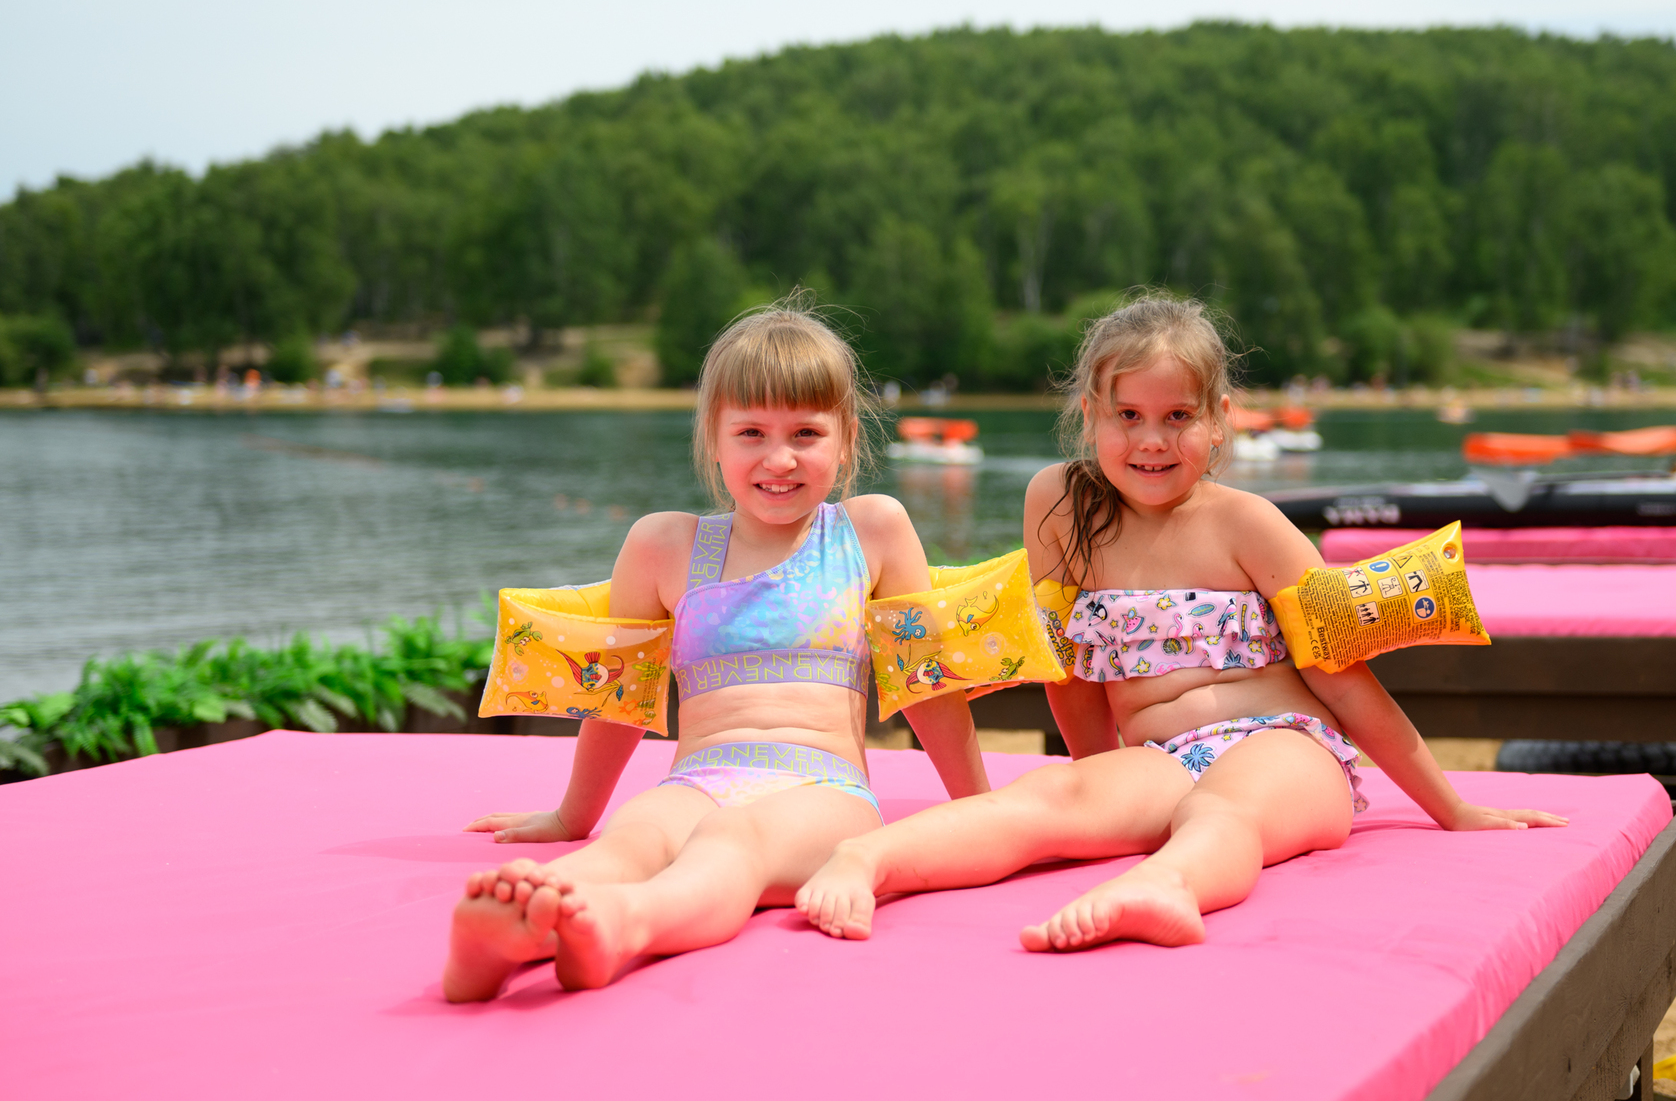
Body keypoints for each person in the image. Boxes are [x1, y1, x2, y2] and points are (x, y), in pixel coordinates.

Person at [797, 294, 1565, 952]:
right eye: (1128, 415)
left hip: (1288, 749)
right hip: (1159, 759)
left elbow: (1344, 678)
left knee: (1223, 809)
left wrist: (1451, 807)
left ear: (1220, 420)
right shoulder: (1063, 506)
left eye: (1177, 417)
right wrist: (1096, 786)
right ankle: (868, 861)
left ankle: (1166, 886)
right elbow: (1071, 672)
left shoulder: (1249, 525)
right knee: (1049, 799)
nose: (1152, 441)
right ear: (1089, 414)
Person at [443, 302, 987, 1001]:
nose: (778, 459)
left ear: (847, 438)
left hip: (824, 793)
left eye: (806, 433)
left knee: (735, 841)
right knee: (637, 838)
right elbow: (619, 701)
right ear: (714, 439)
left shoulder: (871, 532)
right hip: (697, 779)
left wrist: (981, 811)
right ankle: (519, 923)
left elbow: (929, 689)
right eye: (751, 432)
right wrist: (573, 817)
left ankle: (623, 926)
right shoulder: (663, 547)